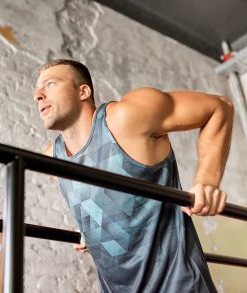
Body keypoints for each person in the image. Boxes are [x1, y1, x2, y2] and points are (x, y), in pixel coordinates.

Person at [33, 59, 233, 292]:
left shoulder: (126, 118)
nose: (38, 95)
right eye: (36, 89)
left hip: (178, 284)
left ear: (83, 91)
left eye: (50, 84)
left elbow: (219, 106)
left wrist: (207, 181)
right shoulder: (53, 160)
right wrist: (91, 230)